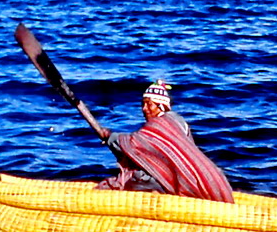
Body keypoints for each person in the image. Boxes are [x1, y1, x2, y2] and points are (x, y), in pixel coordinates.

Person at [95, 80, 235, 203]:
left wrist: (110, 136)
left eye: (149, 105)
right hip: (213, 180)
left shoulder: (160, 125)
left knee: (136, 179)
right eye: (142, 104)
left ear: (160, 106)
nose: (144, 109)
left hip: (185, 180)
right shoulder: (179, 121)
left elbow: (135, 143)